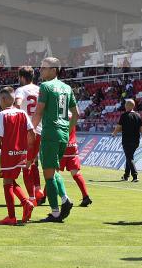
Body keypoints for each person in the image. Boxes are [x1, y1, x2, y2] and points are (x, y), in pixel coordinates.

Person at [32, 56, 79, 223]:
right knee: (55, 171)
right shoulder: (67, 88)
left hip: (50, 134)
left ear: (53, 70)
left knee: (49, 175)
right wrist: (67, 128)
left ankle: (56, 212)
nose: (41, 70)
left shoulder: (45, 86)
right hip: (63, 135)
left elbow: (38, 112)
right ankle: (65, 199)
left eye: (44, 68)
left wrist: (31, 130)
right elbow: (77, 113)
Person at [0, 87, 35, 225]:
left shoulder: (2, 114)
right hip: (21, 153)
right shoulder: (22, 113)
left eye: (0, 100)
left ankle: (12, 216)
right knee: (11, 180)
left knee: (7, 183)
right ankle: (25, 202)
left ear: (3, 99)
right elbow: (32, 132)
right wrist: (29, 150)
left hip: (9, 153)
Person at [14, 65, 44, 204]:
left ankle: (31, 198)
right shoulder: (40, 89)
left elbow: (18, 104)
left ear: (21, 77)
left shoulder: (21, 90)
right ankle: (38, 190)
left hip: (27, 131)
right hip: (40, 129)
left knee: (25, 164)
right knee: (34, 162)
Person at [112, 98, 142, 182]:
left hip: (127, 140)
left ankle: (135, 176)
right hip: (136, 141)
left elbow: (119, 127)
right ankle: (126, 176)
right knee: (129, 156)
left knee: (129, 157)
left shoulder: (124, 115)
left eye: (125, 104)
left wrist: (114, 133)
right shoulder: (138, 116)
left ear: (127, 106)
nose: (124, 106)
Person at [60, 122, 92, 207]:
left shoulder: (58, 114)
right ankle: (85, 196)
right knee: (76, 173)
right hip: (72, 146)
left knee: (52, 173)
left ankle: (43, 197)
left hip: (62, 146)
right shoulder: (73, 114)